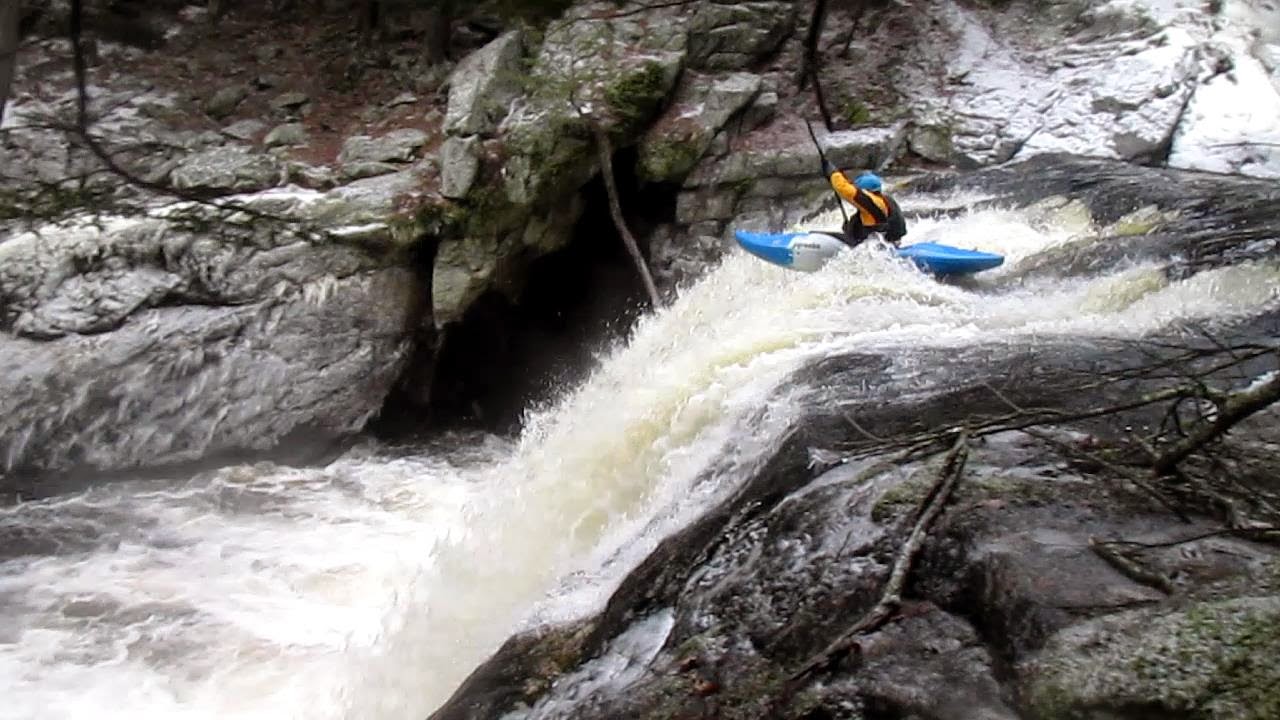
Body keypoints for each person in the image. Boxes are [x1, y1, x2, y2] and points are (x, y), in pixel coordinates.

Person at [821, 159, 907, 246]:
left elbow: (844, 188)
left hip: (875, 245)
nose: (856, 190)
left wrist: (833, 173)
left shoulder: (870, 201)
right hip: (885, 243)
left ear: (866, 191)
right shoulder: (884, 200)